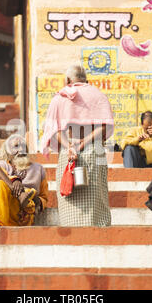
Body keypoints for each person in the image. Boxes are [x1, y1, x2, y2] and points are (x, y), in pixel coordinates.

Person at [41, 64, 114, 226]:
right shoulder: (99, 96)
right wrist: (85, 142)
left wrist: (70, 147)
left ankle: (72, 231)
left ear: (68, 79)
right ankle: (97, 232)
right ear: (86, 79)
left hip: (69, 152)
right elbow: (104, 126)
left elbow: (55, 130)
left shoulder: (60, 97)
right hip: (95, 150)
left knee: (69, 195)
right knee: (96, 194)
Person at [0, 134, 48, 227]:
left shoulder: (38, 169)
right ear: (7, 152)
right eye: (16, 146)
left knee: (1, 184)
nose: (20, 150)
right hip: (1, 208)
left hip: (22, 214)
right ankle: (17, 197)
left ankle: (21, 196)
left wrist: (33, 198)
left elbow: (44, 198)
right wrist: (14, 181)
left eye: (23, 146)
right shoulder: (1, 166)